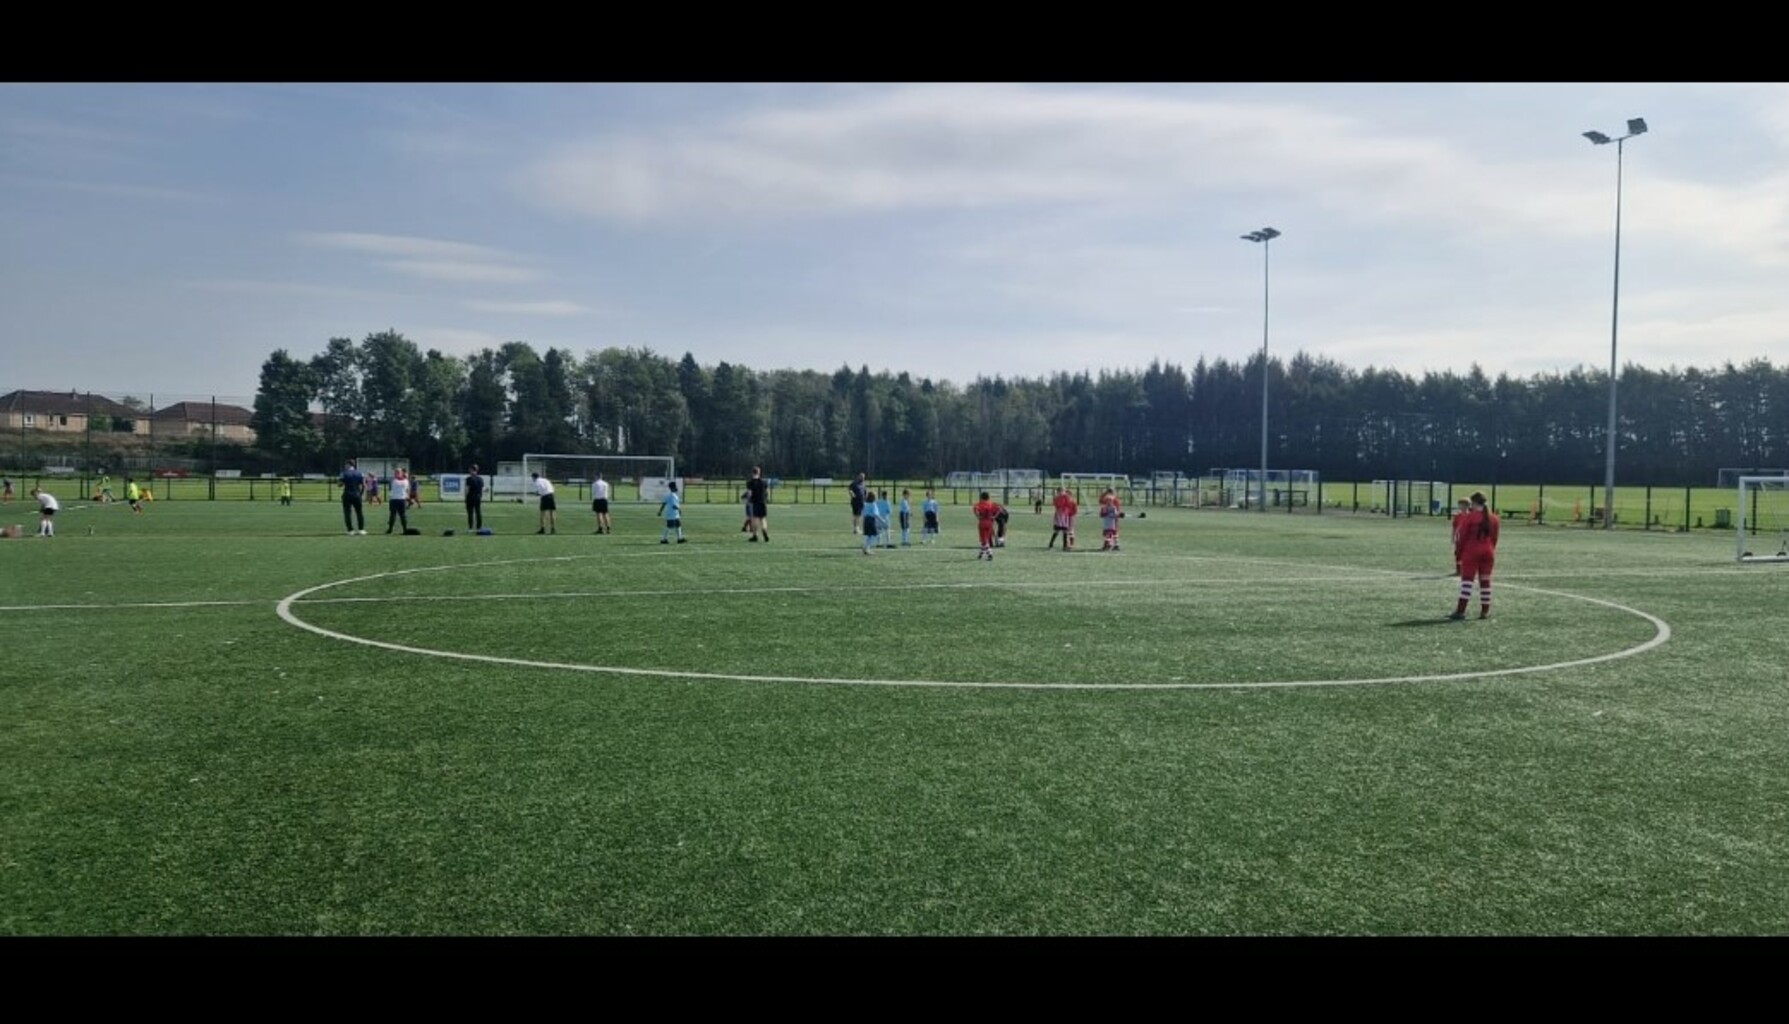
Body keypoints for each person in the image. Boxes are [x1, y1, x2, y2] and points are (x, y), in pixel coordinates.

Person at [1449, 491, 1501, 620]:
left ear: (1473, 503)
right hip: (1488, 551)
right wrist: (1490, 549)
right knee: (1485, 580)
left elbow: (1462, 537)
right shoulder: (1494, 518)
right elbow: (1494, 538)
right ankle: (1485, 611)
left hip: (1471, 551)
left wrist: (1459, 553)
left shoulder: (1469, 517)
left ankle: (1461, 611)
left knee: (1467, 581)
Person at [340, 459, 366, 535]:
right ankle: (361, 529)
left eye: (346, 464)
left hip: (347, 494)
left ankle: (350, 530)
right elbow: (363, 485)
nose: (345, 466)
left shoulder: (344, 473)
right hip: (357, 495)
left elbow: (339, 484)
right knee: (359, 512)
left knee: (347, 513)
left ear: (348, 464)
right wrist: (360, 494)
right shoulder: (360, 473)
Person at [745, 466, 771, 542]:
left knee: (755, 519)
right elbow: (767, 493)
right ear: (759, 472)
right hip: (763, 502)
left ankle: (755, 535)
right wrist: (766, 499)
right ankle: (764, 530)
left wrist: (748, 500)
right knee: (763, 518)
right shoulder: (764, 482)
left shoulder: (750, 482)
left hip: (755, 502)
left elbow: (749, 493)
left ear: (752, 472)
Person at [973, 490, 1001, 560]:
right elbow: (999, 509)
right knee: (985, 538)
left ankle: (990, 553)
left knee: (984, 539)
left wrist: (978, 516)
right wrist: (994, 516)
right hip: (990, 522)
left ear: (981, 497)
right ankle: (981, 553)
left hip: (982, 522)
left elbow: (975, 508)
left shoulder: (980, 504)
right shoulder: (992, 504)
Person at [1049, 486, 1078, 550]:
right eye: (1063, 491)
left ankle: (1066, 545)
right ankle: (1051, 543)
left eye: (1064, 491)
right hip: (1060, 516)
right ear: (1059, 492)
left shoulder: (1067, 498)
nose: (1064, 493)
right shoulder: (1057, 498)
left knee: (1066, 530)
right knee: (1057, 530)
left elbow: (1071, 506)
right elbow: (1057, 505)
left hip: (1066, 516)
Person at [385, 467, 413, 534]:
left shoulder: (393, 481)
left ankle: (390, 529)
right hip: (402, 500)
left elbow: (390, 488)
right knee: (402, 515)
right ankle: (404, 529)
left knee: (392, 515)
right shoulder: (406, 481)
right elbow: (407, 490)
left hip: (394, 499)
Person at [1451, 498, 1472, 575]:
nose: (1460, 507)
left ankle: (1468, 569)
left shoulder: (1471, 516)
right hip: (1459, 539)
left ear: (1467, 506)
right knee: (1458, 554)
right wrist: (1453, 537)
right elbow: (1454, 527)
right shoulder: (1457, 516)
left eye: (1462, 505)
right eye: (1459, 505)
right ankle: (1458, 570)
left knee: (1468, 554)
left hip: (1468, 539)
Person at [860, 490, 881, 554]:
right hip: (871, 520)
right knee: (874, 535)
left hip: (866, 520)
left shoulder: (865, 504)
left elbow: (863, 513)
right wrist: (882, 520)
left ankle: (866, 547)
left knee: (869, 535)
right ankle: (867, 548)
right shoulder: (873, 504)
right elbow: (875, 514)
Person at [465, 463, 486, 531]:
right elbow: (482, 489)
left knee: (470, 513)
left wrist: (465, 497)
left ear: (472, 470)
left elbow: (467, 489)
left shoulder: (469, 479)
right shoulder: (480, 479)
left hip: (470, 497)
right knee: (478, 512)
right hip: (478, 497)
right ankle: (479, 527)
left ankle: (470, 527)